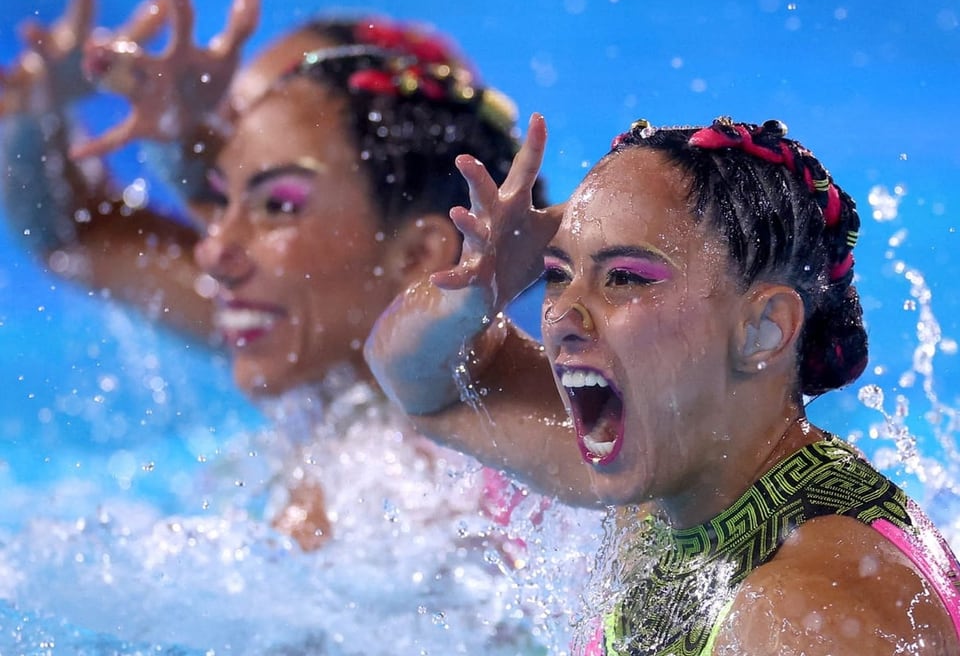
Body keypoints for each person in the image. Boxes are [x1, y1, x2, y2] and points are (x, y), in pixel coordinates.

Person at [2, 0, 588, 654]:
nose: (215, 247)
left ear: (413, 251)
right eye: (224, 181)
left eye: (277, 199)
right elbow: (76, 235)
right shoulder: (312, 347)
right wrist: (32, 109)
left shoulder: (475, 478)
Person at [364, 113, 960, 654]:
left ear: (763, 329)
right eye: (557, 274)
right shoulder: (677, 474)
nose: (563, 317)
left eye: (623, 277)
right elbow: (431, 388)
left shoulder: (806, 614)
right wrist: (481, 290)